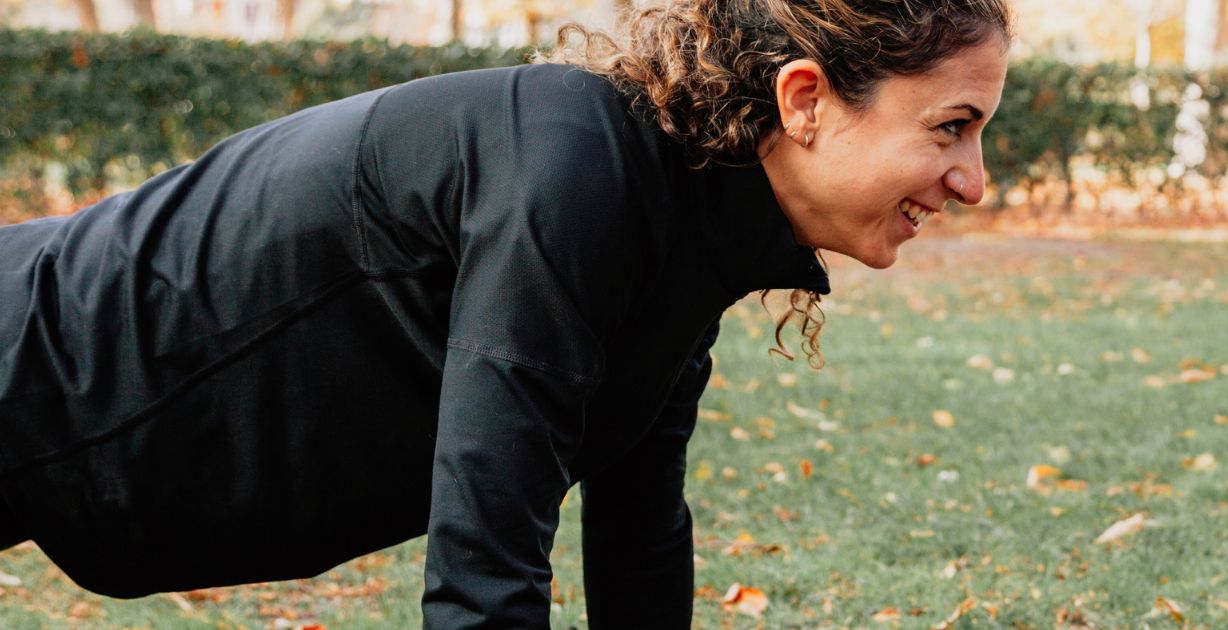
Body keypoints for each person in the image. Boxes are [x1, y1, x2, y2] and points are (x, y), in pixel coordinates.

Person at [0, 0, 1010, 625]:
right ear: (804, 100)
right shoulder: (571, 174)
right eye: (950, 128)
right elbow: (485, 552)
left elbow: (638, 538)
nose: (971, 181)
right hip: (31, 368)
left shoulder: (686, 230)